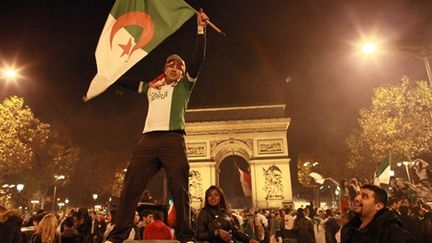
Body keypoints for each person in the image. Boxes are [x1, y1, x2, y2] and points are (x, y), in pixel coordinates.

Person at [105, 9, 208, 243]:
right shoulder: (153, 87)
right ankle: (118, 235)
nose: (174, 69)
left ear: (183, 73)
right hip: (148, 141)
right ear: (165, 69)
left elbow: (198, 60)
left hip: (173, 140)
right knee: (130, 186)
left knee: (179, 190)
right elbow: (128, 82)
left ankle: (185, 236)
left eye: (179, 67)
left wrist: (200, 29)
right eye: (170, 66)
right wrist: (108, 75)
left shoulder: (184, 87)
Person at [340, 184, 415, 243]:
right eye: (358, 194)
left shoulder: (394, 235)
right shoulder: (348, 231)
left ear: (378, 206)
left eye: (364, 196)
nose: (356, 198)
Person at [195, 185, 259, 243]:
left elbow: (235, 232)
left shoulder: (225, 212)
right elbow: (198, 235)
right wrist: (217, 232)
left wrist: (249, 240)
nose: (212, 198)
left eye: (216, 195)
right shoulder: (204, 213)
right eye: (209, 195)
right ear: (207, 198)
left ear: (221, 197)